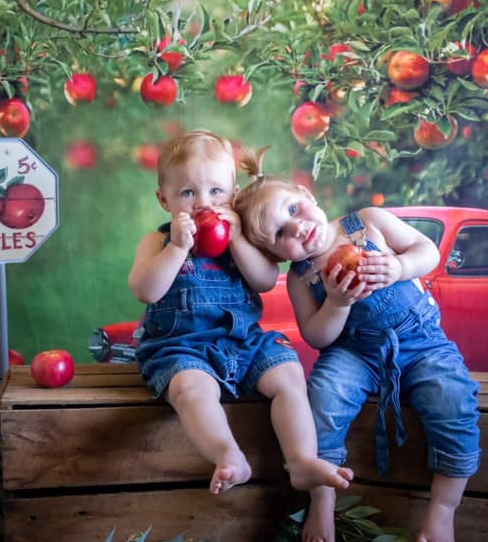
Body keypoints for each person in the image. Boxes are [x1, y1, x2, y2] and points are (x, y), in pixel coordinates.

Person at [233, 149, 480, 542]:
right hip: (355, 352)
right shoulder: (301, 278)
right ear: (277, 255)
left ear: (305, 193)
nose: (298, 227)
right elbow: (318, 336)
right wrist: (337, 303)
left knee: (452, 399)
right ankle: (323, 501)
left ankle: (443, 508)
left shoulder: (366, 222)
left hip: (419, 340)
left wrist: (399, 268)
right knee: (324, 397)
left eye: (293, 209)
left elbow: (428, 251)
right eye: (281, 234)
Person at [128, 130, 354, 496]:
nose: (203, 203)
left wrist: (235, 239)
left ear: (233, 195)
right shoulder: (158, 242)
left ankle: (300, 460)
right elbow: (145, 289)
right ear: (163, 200)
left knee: (289, 373)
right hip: (182, 348)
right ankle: (228, 454)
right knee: (190, 389)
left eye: (216, 191)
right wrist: (177, 249)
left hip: (244, 343)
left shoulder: (241, 238)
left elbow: (266, 280)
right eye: (188, 193)